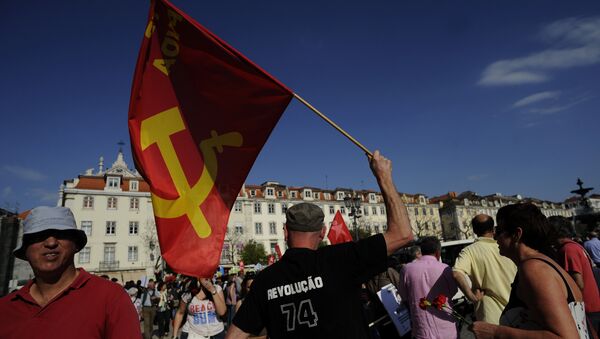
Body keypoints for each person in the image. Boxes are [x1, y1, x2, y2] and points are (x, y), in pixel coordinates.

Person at [225, 150, 414, 339]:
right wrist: (384, 176)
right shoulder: (343, 259)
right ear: (323, 232)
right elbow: (403, 234)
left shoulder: (265, 281)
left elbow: (233, 336)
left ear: (285, 231)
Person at [0, 206, 141, 338]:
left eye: (61, 234)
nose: (50, 243)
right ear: (26, 249)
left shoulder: (110, 297)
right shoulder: (5, 308)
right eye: (39, 236)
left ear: (75, 245)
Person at [471, 203, 591, 338]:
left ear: (517, 234)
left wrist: (495, 332)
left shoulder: (534, 269)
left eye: (499, 231)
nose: (494, 237)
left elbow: (566, 337)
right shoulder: (541, 262)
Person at [452, 214, 517, 324]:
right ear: (493, 229)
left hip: (491, 317)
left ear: (474, 230)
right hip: (516, 312)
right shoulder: (507, 246)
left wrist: (471, 296)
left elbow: (456, 273)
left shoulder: (469, 251)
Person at [399, 236, 458, 339]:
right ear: (438, 252)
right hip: (446, 329)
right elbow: (453, 291)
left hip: (421, 329)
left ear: (422, 250)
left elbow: (404, 297)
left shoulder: (406, 269)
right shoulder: (445, 269)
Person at [548, 216, 600, 334]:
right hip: (590, 306)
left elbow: (577, 283)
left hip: (585, 308)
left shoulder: (568, 249)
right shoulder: (574, 246)